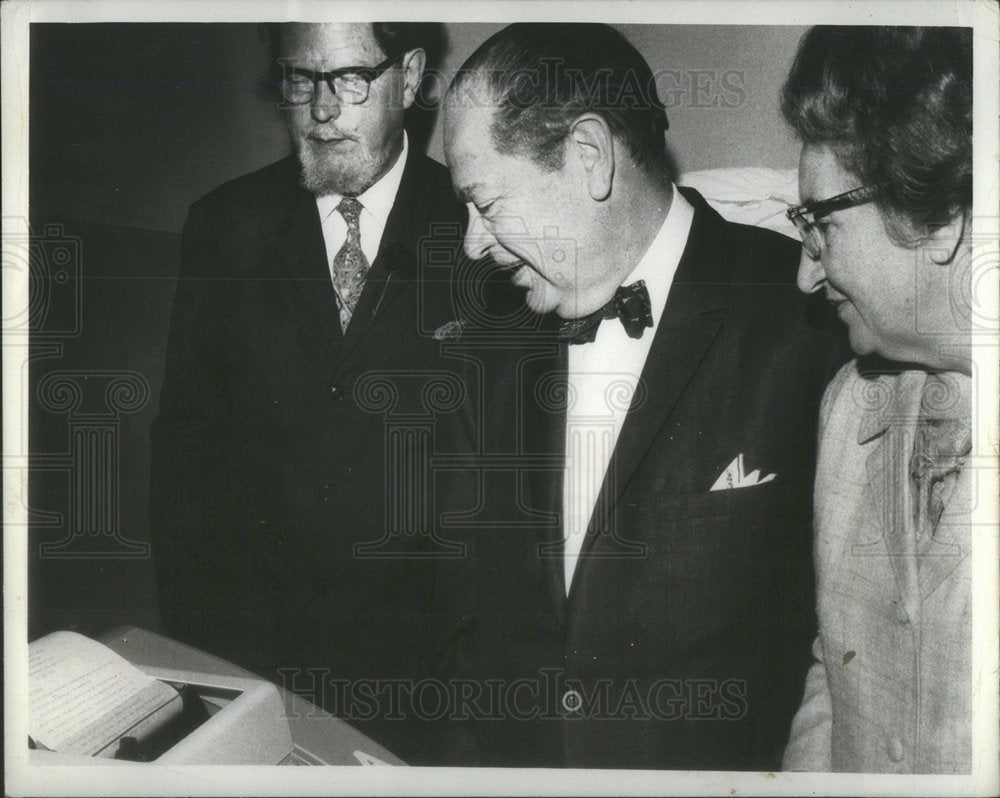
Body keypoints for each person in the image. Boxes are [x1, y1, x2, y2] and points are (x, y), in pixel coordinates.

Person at [440, 22, 848, 769]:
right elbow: (467, 628)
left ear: (589, 157)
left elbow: (851, 654)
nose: (472, 243)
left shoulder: (809, 320)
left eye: (486, 204)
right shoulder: (485, 341)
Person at [149, 22, 471, 760]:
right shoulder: (224, 225)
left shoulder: (481, 226)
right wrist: (205, 664)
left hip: (430, 681)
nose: (324, 108)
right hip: (259, 662)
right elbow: (185, 461)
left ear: (412, 77)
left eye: (352, 78)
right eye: (301, 78)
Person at [779, 26, 973, 773]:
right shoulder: (849, 409)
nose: (806, 275)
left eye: (822, 224)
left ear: (942, 219)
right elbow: (836, 675)